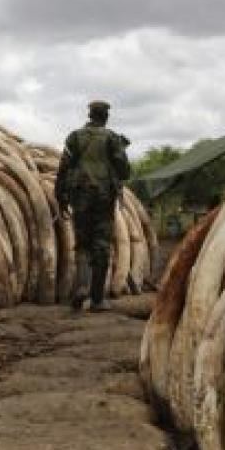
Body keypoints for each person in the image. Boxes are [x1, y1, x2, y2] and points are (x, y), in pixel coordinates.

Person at [55, 99, 131, 311]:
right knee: (102, 245)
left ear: (90, 115)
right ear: (105, 116)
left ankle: (81, 285)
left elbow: (63, 169)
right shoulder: (112, 138)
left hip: (80, 198)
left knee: (82, 244)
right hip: (104, 198)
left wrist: (60, 197)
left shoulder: (75, 137)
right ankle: (97, 300)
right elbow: (125, 171)